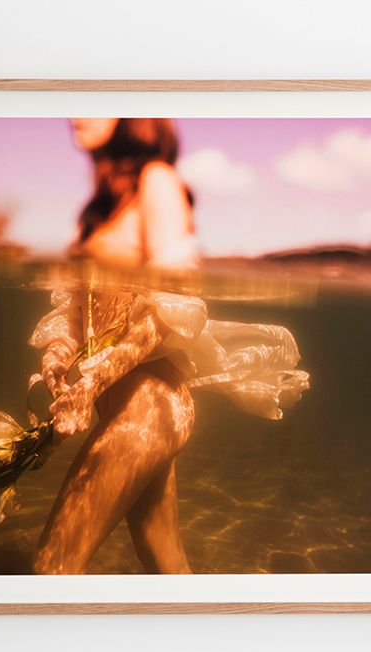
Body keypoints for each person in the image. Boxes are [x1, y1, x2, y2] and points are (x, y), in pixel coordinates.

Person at [30, 117, 308, 574]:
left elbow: (173, 306)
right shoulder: (100, 208)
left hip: (151, 407)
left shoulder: (156, 183)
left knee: (52, 568)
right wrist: (58, 355)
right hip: (127, 407)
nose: (75, 113)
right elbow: (77, 310)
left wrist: (90, 384)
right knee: (163, 556)